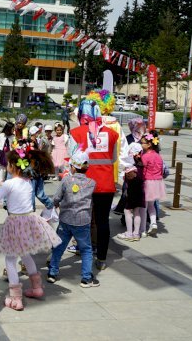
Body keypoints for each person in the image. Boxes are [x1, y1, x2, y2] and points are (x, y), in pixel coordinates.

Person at [0, 149, 60, 311]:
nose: (7, 166)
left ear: (14, 167)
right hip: (29, 220)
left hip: (15, 222)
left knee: (10, 260)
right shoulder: (28, 182)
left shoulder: (9, 184)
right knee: (26, 254)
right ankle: (36, 287)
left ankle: (16, 298)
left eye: (8, 164)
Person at [68, 97, 119, 271]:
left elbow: (72, 161)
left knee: (81, 220)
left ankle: (84, 252)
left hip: (83, 184)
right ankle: (102, 259)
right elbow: (113, 159)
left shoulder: (76, 133)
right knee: (103, 222)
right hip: (105, 185)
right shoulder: (112, 133)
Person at [46, 151, 100, 287]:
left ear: (73, 167)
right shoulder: (92, 183)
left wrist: (56, 204)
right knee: (86, 249)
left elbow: (57, 197)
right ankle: (86, 278)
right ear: (86, 167)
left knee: (59, 246)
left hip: (66, 218)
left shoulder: (66, 180)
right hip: (83, 221)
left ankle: (52, 273)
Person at [116, 143, 145, 241]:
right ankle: (136, 234)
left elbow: (127, 180)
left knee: (127, 211)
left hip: (132, 192)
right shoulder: (142, 164)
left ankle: (129, 233)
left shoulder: (130, 167)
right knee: (137, 212)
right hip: (140, 191)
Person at [140, 132, 164, 236]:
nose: (141, 144)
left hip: (147, 182)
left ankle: (142, 230)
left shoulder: (145, 156)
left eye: (143, 143)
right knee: (152, 206)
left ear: (149, 144)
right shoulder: (158, 156)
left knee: (143, 207)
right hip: (157, 183)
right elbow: (162, 170)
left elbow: (141, 169)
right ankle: (153, 223)